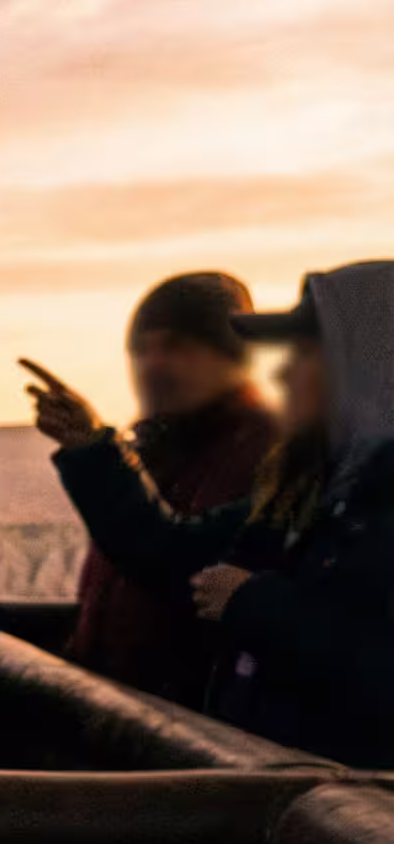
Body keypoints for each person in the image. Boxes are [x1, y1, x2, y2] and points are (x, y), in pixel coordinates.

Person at [27, 261, 394, 767]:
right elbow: (180, 556)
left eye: (306, 353)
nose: (283, 371)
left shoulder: (286, 466)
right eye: (143, 349)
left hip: (336, 809)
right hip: (263, 789)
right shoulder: (315, 490)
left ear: (368, 366)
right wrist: (92, 450)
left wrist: (252, 600)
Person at [61, 273, 278, 707]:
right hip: (118, 718)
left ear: (232, 357)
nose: (153, 364)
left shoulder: (273, 455)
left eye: (177, 347)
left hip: (190, 729)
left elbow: (176, 563)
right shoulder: (148, 453)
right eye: (142, 350)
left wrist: (94, 453)